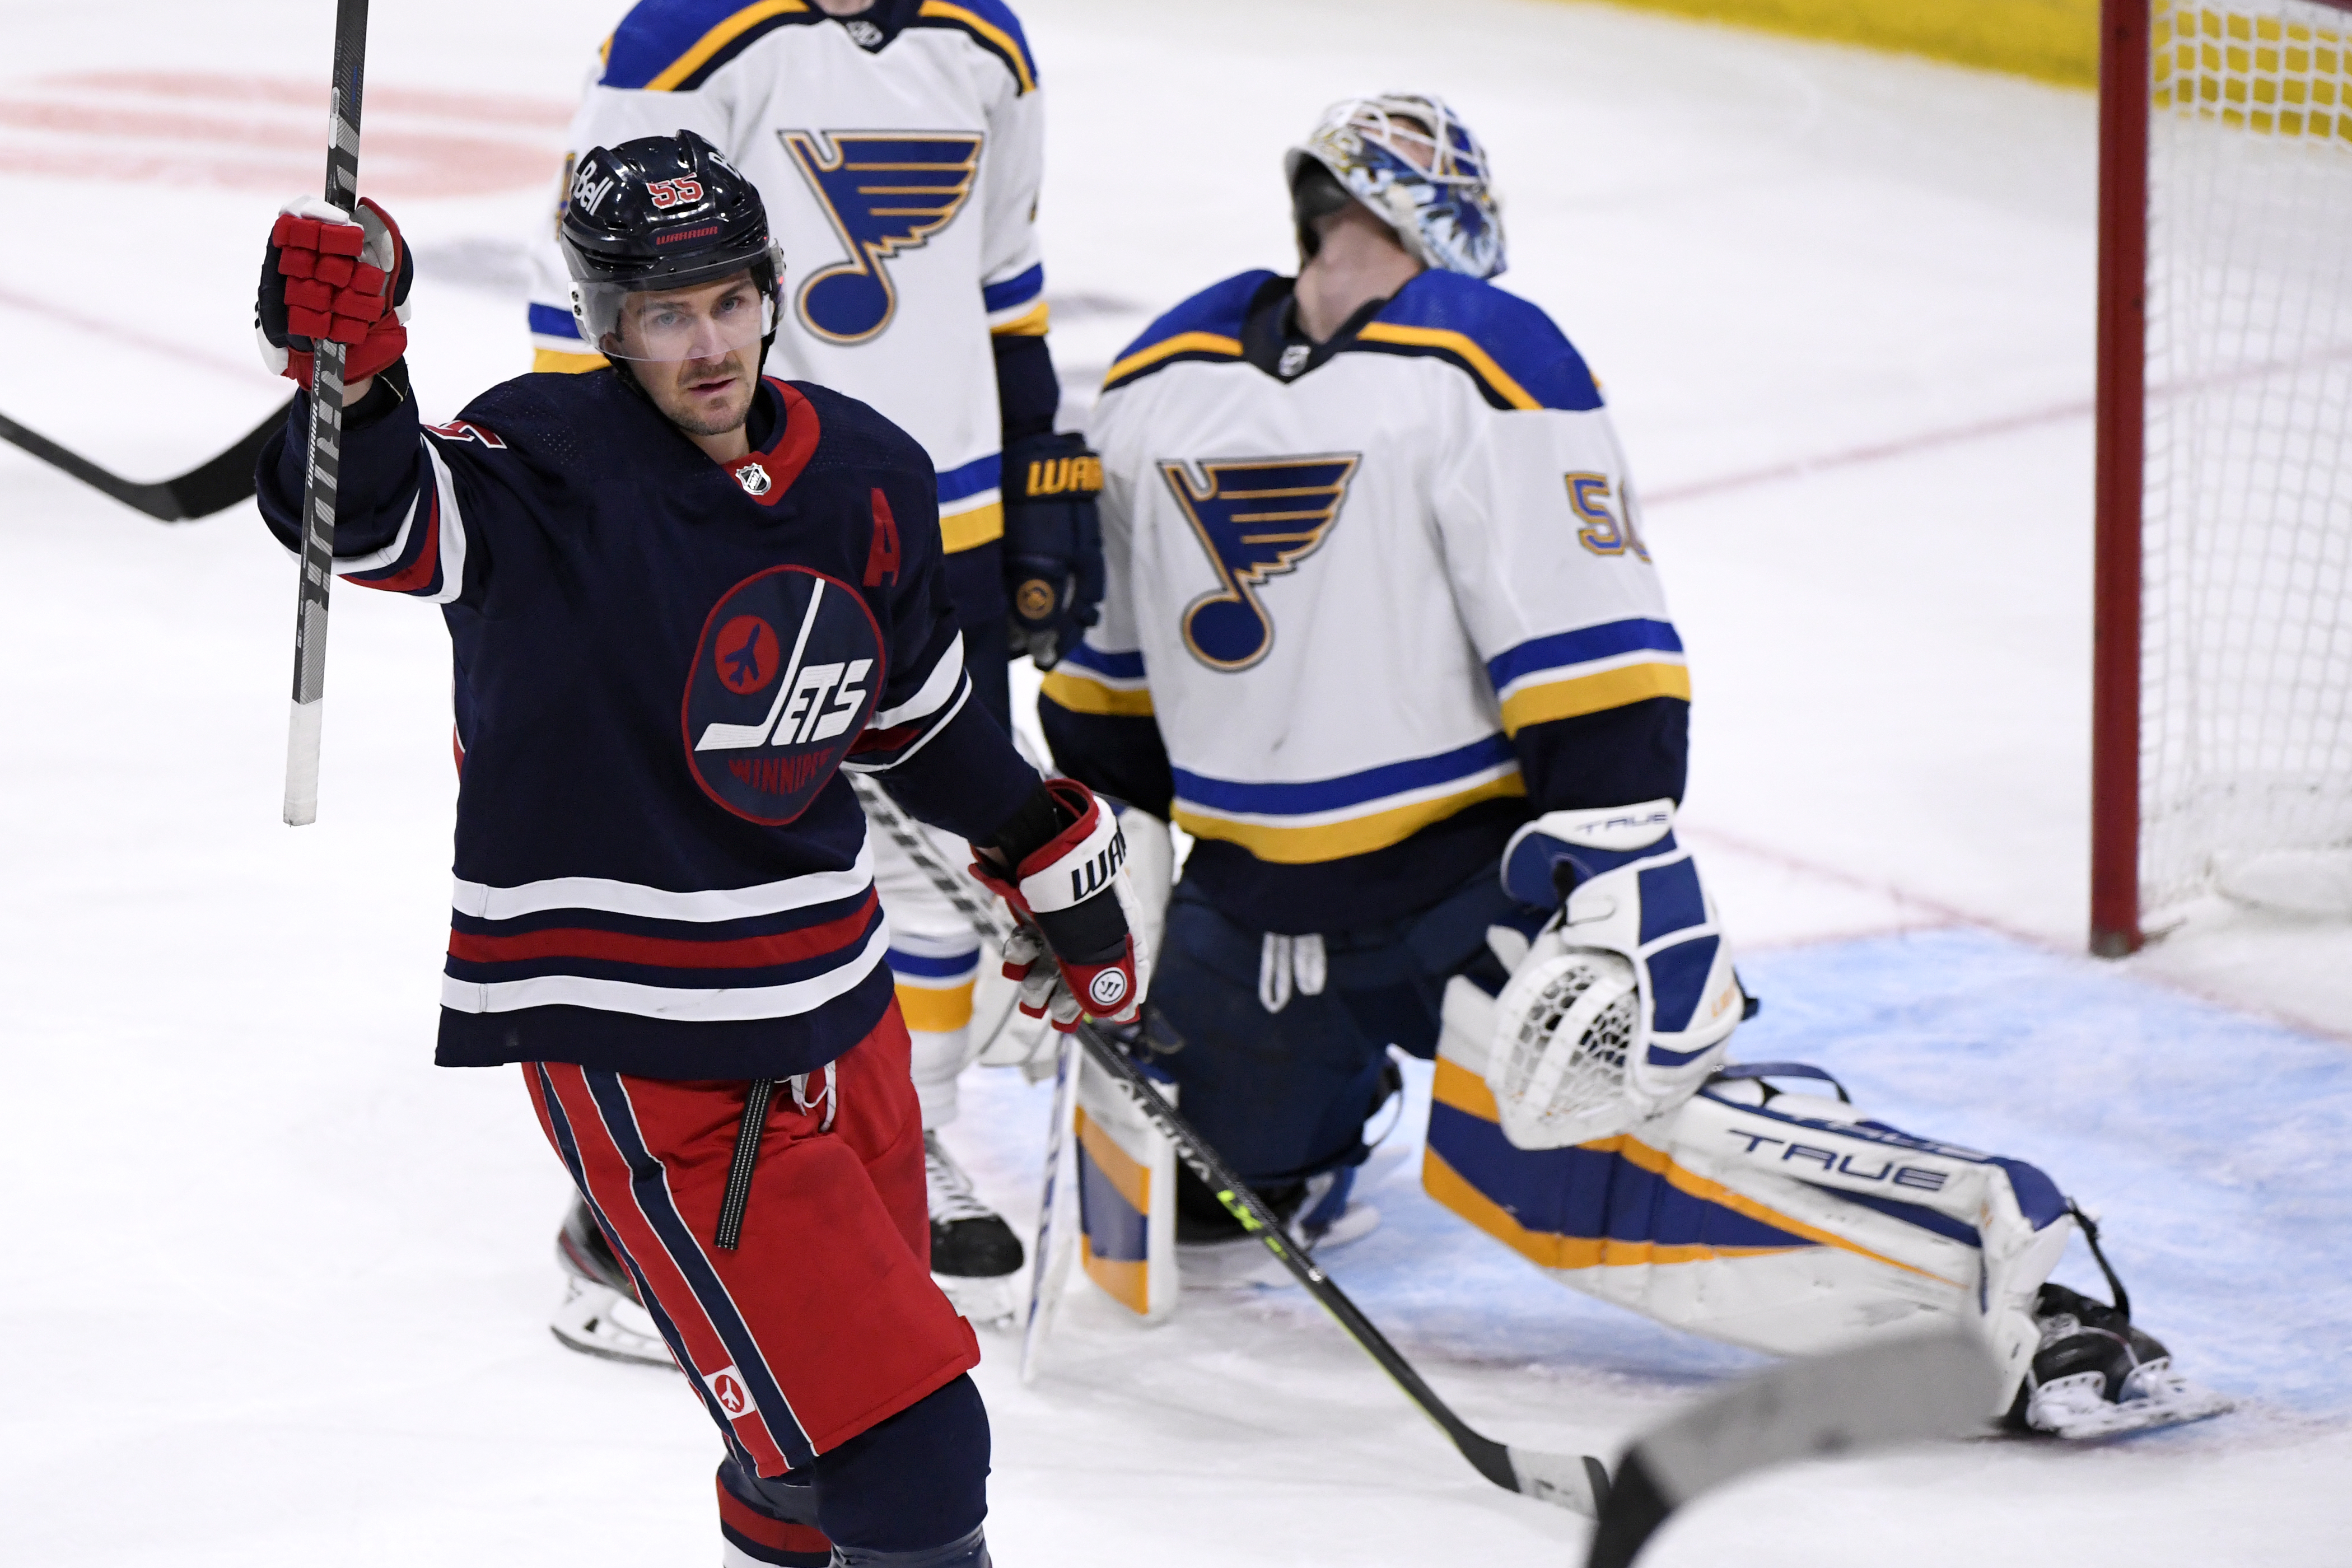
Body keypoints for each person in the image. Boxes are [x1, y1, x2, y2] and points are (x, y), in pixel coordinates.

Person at [1038, 95, 2224, 1438]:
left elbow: (1587, 651)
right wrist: (1092, 896)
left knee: (1608, 1177)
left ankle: (2025, 1297)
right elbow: (1108, 686)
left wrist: (1613, 878)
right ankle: (1312, 1110)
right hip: (1246, 917)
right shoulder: (1211, 374)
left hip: (1462, 894)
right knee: (1204, 1196)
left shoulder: (1373, 361)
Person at [253, 130, 1145, 1567]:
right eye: (666, 314)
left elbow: (916, 721)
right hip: (651, 1048)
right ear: (609, 325)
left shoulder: (863, 470)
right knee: (914, 1448)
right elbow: (369, 518)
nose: (709, 342)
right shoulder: (541, 467)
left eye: (731, 299)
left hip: (845, 1013)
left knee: (804, 1452)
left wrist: (1051, 853)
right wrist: (351, 367)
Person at [524, 0, 1099, 1336]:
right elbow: (594, 300)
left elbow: (1004, 281)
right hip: (732, 522)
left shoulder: (987, 42)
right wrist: (592, 523)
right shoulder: (686, 35)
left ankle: (914, 1134)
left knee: (944, 861)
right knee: (702, 859)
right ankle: (627, 1207)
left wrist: (1043, 476)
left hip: (932, 516)